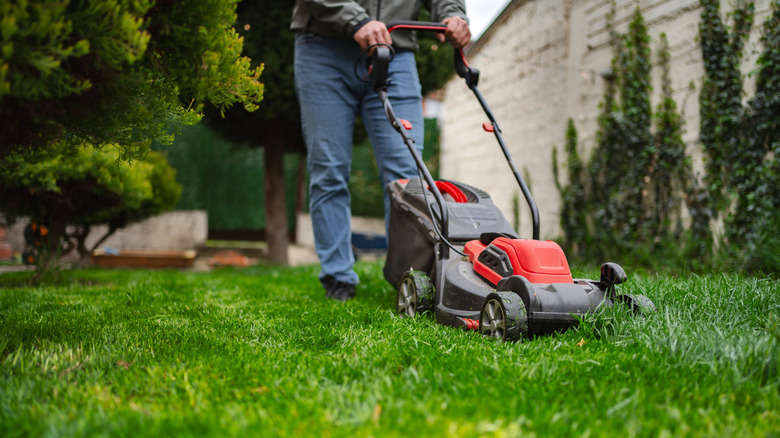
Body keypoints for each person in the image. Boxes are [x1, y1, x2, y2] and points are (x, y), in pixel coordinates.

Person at [292, 0, 470, 301]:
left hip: (395, 51)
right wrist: (355, 20)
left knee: (407, 176)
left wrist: (453, 14)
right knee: (329, 168)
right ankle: (338, 278)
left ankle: (409, 278)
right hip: (324, 45)